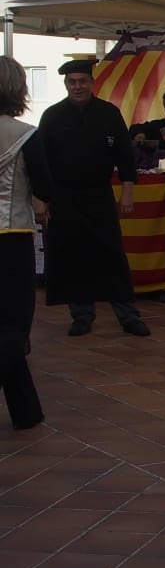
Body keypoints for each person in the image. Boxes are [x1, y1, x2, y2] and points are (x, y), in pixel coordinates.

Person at [38, 58, 151, 338]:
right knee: (72, 257)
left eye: (82, 81)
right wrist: (41, 199)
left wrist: (127, 193)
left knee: (111, 255)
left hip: (99, 195)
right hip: (64, 197)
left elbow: (125, 157)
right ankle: (81, 315)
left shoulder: (109, 114)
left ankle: (128, 315)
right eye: (72, 82)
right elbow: (41, 162)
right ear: (66, 85)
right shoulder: (51, 116)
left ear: (92, 83)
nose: (77, 87)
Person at [0, 57, 51, 430]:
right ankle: (26, 412)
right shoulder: (26, 135)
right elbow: (46, 188)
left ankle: (26, 411)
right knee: (14, 325)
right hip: (12, 236)